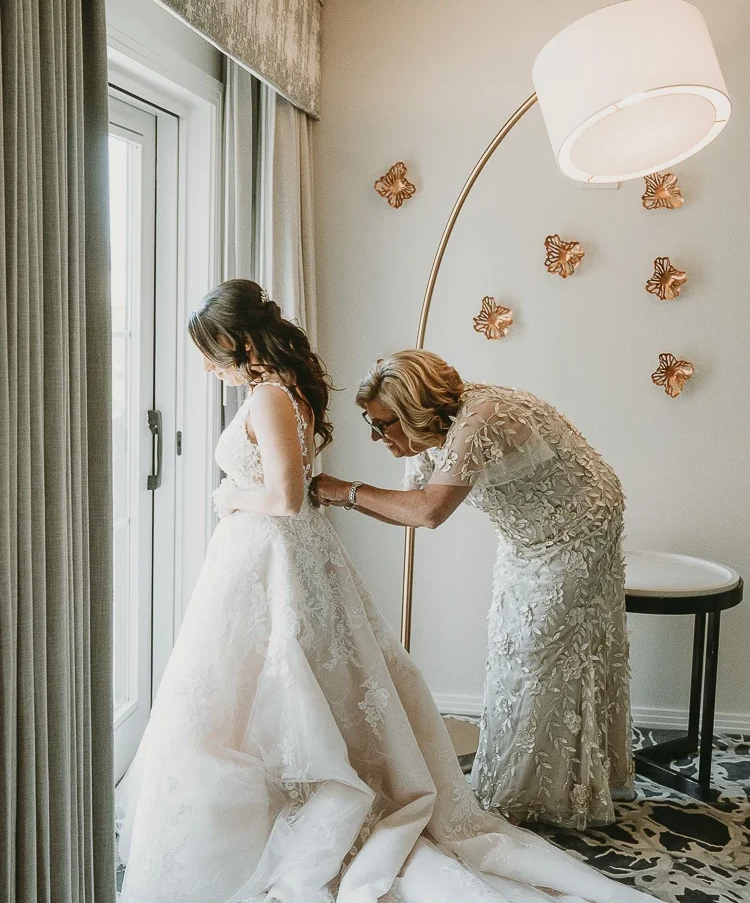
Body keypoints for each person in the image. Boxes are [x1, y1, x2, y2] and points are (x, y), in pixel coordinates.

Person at [116, 285, 651, 903]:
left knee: (274, 682)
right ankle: (524, 782)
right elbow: (394, 484)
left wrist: (231, 496)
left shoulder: (274, 396)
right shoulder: (292, 390)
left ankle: (552, 790)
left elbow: (343, 502)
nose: (207, 367)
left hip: (557, 528)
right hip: (296, 554)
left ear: (237, 341)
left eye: (210, 352)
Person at [311, 349, 632, 830]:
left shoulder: (478, 420)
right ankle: (529, 783)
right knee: (511, 648)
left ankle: (550, 796)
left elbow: (428, 511)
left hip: (579, 527)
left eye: (383, 425)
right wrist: (341, 500)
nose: (378, 437)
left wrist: (342, 490)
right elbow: (413, 512)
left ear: (415, 412)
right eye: (371, 425)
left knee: (542, 652)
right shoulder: (435, 432)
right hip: (525, 534)